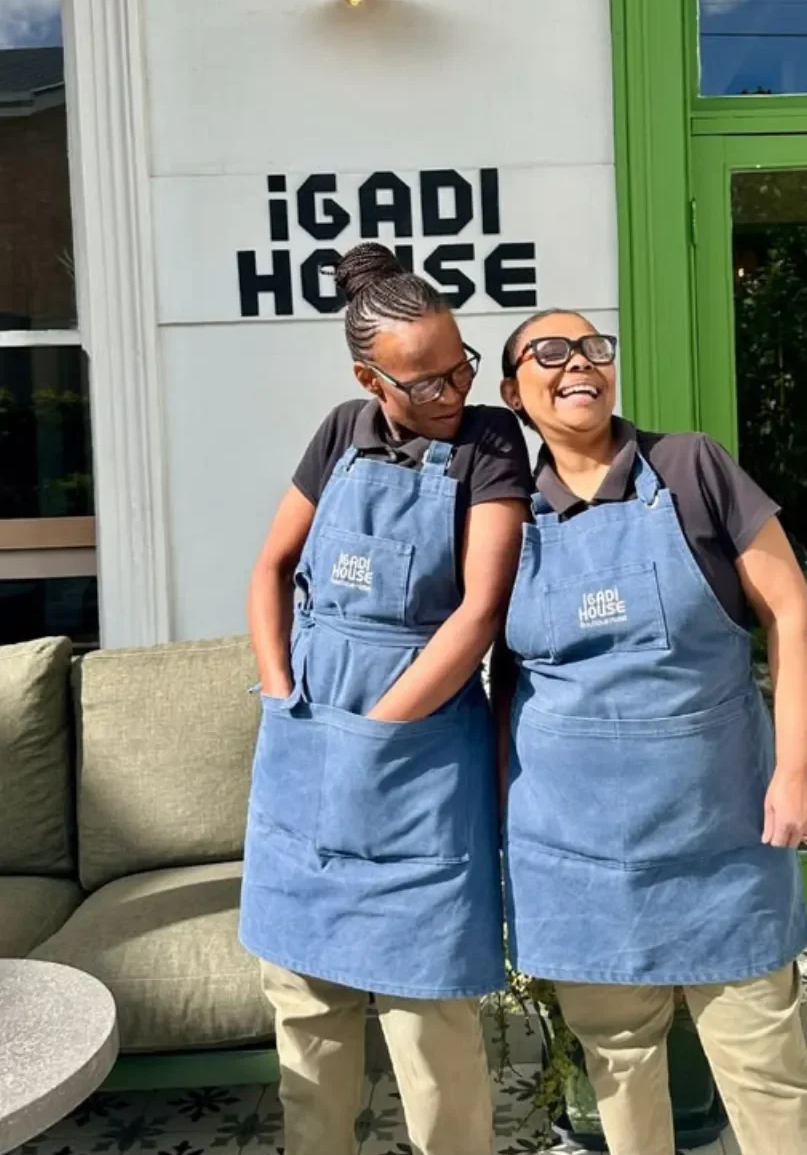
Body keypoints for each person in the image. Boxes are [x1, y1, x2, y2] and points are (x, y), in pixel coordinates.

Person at [495, 309, 807, 1155]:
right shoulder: (505, 516)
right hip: (575, 857)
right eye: (550, 351)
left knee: (766, 1071)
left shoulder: (689, 466)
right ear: (513, 392)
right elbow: (496, 682)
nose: (580, 363)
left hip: (720, 840)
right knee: (617, 1062)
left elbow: (790, 613)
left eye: (594, 347)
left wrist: (796, 770)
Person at [239, 243, 531, 1155]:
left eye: (460, 368)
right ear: (370, 378)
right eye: (427, 383)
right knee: (308, 1016)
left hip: (418, 752)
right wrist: (282, 688)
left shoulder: (489, 442)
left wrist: (380, 728)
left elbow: (480, 612)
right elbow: (272, 567)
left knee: (428, 1022)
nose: (453, 391)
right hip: (307, 738)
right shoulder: (338, 431)